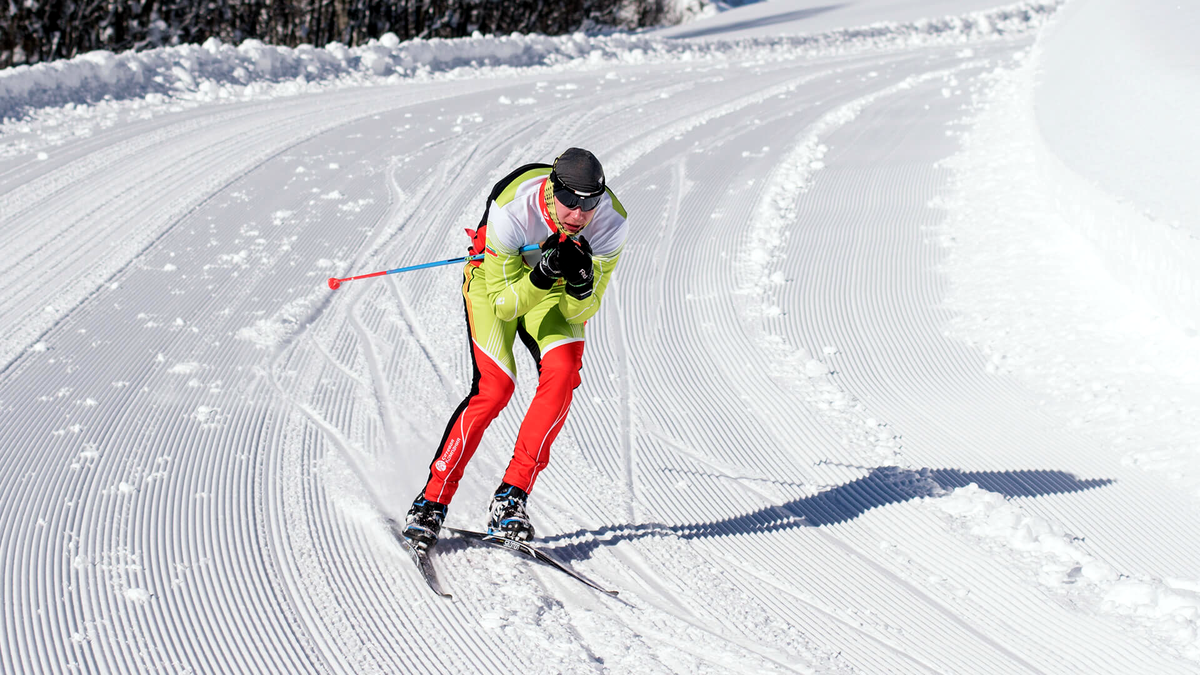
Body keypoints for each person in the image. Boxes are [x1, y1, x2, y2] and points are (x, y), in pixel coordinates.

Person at [403, 148, 628, 549]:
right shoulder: (513, 208)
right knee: (495, 388)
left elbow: (586, 308)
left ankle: (511, 498)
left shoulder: (611, 222)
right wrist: (543, 273)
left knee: (562, 374)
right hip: (497, 287)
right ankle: (431, 501)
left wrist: (579, 285)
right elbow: (505, 304)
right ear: (552, 189)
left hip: (552, 296)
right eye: (570, 201)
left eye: (589, 202)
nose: (578, 213)